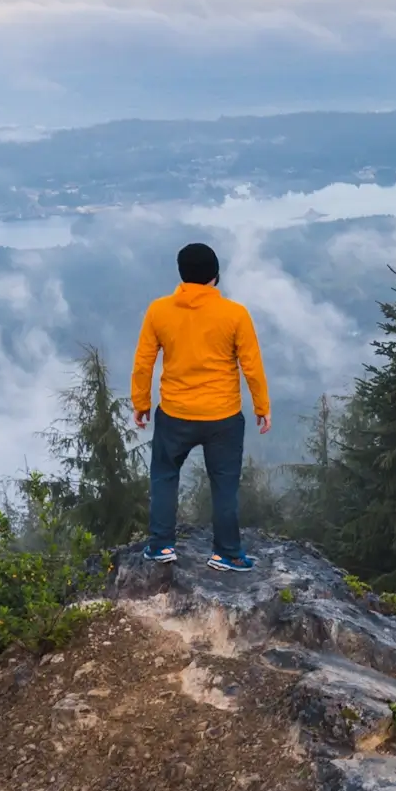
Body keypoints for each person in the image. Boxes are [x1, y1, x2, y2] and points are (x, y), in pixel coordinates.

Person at [131, 241, 271, 571]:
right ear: (215, 276)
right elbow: (251, 365)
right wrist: (262, 406)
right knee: (224, 486)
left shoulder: (159, 311)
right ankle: (228, 553)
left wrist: (142, 401)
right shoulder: (235, 314)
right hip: (223, 416)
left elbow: (143, 362)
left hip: (175, 413)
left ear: (181, 274)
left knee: (164, 476)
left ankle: (162, 545)